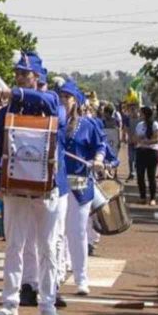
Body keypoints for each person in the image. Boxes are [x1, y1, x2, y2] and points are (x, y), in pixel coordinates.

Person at [0, 52, 66, 315]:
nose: (19, 77)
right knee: (14, 246)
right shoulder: (6, 112)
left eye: (24, 74)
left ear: (37, 77)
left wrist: (8, 92)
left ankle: (48, 305)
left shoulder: (51, 102)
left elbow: (50, 102)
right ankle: (10, 303)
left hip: (47, 188)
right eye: (17, 73)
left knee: (47, 247)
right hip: (15, 188)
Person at [58, 80, 106, 296]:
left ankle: (81, 278)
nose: (63, 101)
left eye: (67, 97)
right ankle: (57, 273)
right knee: (56, 233)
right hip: (57, 185)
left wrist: (97, 159)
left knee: (77, 232)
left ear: (75, 101)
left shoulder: (87, 125)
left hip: (80, 184)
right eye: (60, 97)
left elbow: (100, 146)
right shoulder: (54, 123)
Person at [135, 106, 158, 205]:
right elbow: (136, 138)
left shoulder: (155, 125)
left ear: (145, 114)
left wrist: (147, 141)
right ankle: (142, 197)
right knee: (140, 175)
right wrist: (139, 139)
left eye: (141, 113)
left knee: (151, 176)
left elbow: (157, 139)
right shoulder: (139, 125)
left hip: (151, 153)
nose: (139, 115)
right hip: (140, 152)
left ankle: (153, 198)